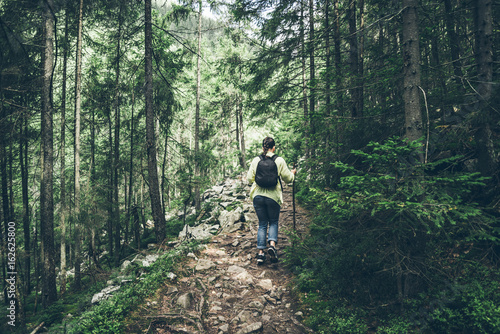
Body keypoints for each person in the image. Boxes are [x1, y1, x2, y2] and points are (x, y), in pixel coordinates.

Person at [247, 137, 296, 265]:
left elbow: (249, 179)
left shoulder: (256, 160)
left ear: (262, 147)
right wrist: (293, 173)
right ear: (273, 147)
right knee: (273, 221)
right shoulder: (279, 160)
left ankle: (260, 254)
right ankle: (272, 246)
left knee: (262, 223)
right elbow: (288, 179)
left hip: (258, 196)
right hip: (273, 197)